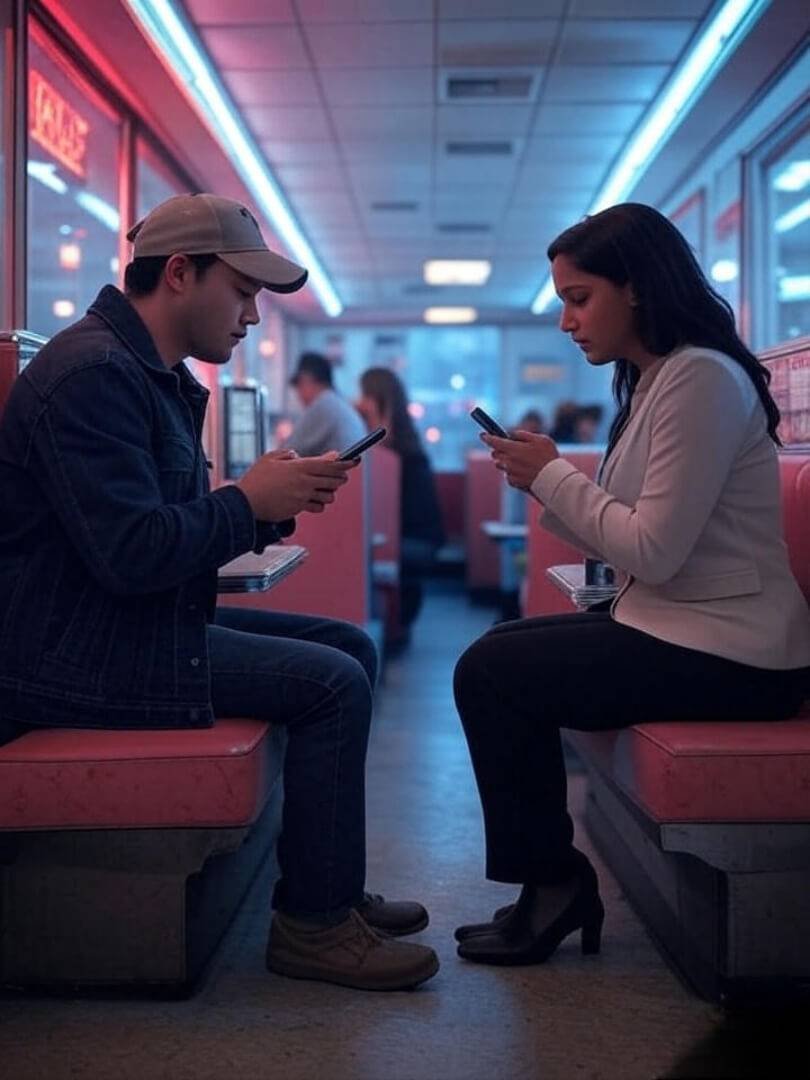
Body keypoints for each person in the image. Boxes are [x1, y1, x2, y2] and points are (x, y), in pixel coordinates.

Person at [0, 193, 438, 992]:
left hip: (112, 632)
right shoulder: (94, 375)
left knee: (349, 645)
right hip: (69, 657)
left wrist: (268, 506)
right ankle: (313, 927)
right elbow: (134, 554)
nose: (253, 316)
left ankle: (329, 886)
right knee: (332, 683)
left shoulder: (144, 373)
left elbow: (158, 533)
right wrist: (247, 502)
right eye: (242, 292)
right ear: (178, 273)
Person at [452, 202, 810, 966]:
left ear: (637, 287)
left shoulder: (702, 379)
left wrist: (552, 475)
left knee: (492, 671)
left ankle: (554, 883)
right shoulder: (657, 381)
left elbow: (654, 549)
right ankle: (549, 880)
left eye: (579, 299)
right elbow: (631, 540)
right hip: (689, 626)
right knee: (496, 656)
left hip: (740, 654)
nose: (567, 322)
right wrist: (546, 479)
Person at [356, 367, 446, 635]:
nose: (358, 401)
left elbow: (378, 449)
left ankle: (378, 628)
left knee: (359, 557)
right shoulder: (408, 445)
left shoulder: (395, 453)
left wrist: (372, 417)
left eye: (363, 395)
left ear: (376, 399)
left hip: (415, 541)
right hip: (421, 537)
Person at [285, 350, 365, 456]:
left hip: (347, 467)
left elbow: (286, 453)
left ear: (307, 380)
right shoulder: (336, 403)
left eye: (298, 385)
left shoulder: (323, 405)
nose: (298, 394)